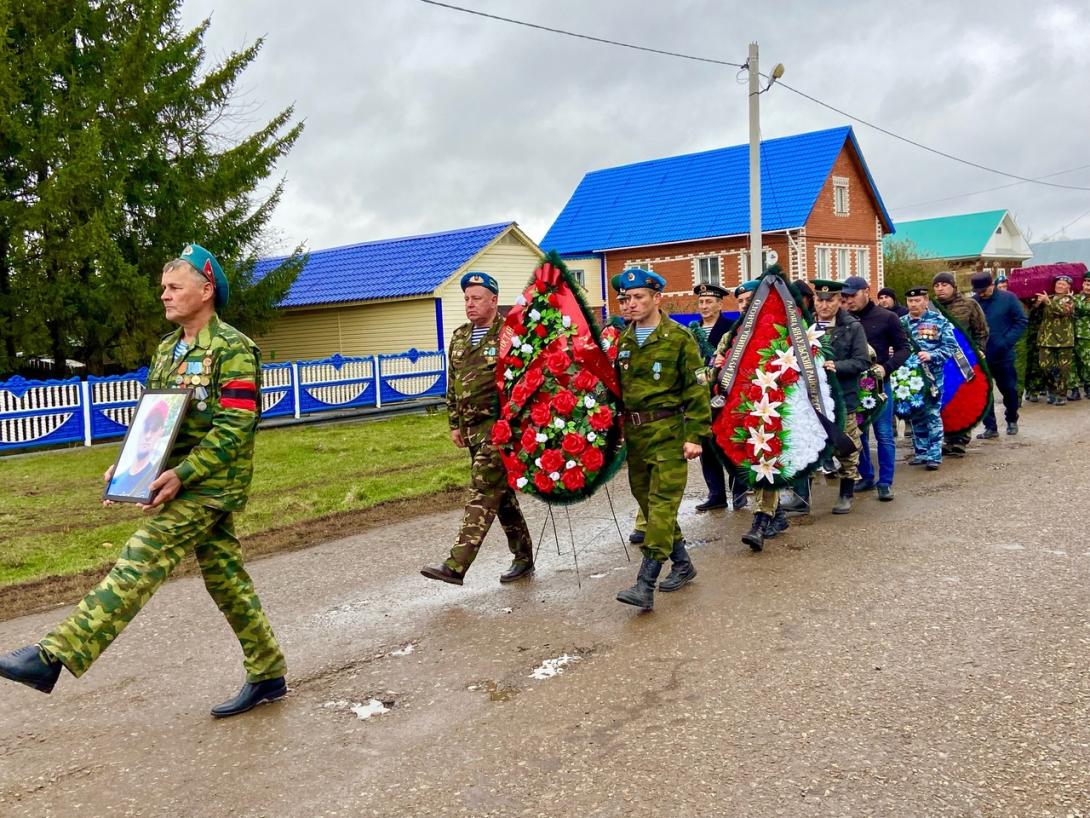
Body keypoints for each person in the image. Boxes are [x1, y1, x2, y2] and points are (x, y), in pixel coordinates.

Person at [0, 243, 287, 718]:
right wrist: (130, 465)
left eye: (175, 287)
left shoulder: (233, 349)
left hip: (211, 485)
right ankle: (268, 671)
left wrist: (183, 474)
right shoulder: (166, 351)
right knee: (226, 580)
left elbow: (236, 427)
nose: (165, 296)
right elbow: (155, 419)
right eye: (163, 289)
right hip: (176, 479)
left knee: (142, 556)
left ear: (206, 289)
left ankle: (52, 657)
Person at [422, 272, 534, 585]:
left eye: (477, 298)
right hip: (472, 432)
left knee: (483, 492)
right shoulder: (459, 337)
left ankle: (456, 565)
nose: (470, 304)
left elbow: (524, 385)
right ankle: (524, 557)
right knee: (502, 499)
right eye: (467, 299)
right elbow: (453, 387)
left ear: (494, 300)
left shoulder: (509, 336)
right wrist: (454, 424)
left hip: (500, 431)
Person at [613, 268, 710, 610]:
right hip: (636, 437)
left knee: (663, 504)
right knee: (649, 505)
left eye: (639, 297)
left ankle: (645, 582)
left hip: (669, 433)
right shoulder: (624, 341)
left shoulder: (679, 337)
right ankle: (682, 564)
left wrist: (695, 435)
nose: (632, 303)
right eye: (627, 298)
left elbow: (698, 390)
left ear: (657, 298)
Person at [843, 275, 910, 502]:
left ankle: (885, 482)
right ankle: (866, 476)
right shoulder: (844, 319)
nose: (849, 300)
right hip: (853, 387)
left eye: (852, 295)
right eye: (845, 296)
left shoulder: (887, 317)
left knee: (883, 435)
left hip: (881, 385)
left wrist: (887, 367)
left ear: (866, 291)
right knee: (857, 434)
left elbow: (904, 348)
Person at [808, 280, 870, 513]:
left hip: (843, 397)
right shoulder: (807, 325)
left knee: (847, 444)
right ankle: (803, 495)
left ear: (839, 301)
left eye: (830, 300)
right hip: (812, 399)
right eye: (820, 300)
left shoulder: (852, 326)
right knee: (811, 444)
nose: (824, 306)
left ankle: (846, 493)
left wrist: (838, 365)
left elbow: (863, 361)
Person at [931, 271, 989, 457]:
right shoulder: (931, 308)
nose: (940, 289)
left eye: (944, 285)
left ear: (953, 287)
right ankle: (948, 438)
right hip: (940, 361)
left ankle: (961, 440)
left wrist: (980, 351)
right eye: (937, 286)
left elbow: (981, 330)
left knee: (962, 400)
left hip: (964, 361)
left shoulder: (969, 304)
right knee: (944, 400)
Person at [901, 287, 958, 470]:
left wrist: (932, 355)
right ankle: (921, 452)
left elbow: (951, 347)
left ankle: (934, 454)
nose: (914, 304)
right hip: (910, 377)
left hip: (933, 377)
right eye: (910, 301)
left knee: (932, 414)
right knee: (915, 413)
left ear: (926, 301)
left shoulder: (939, 321)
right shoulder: (901, 323)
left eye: (918, 301)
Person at [691, 283, 735, 512]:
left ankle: (739, 491)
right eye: (701, 302)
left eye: (709, 301)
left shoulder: (730, 327)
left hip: (723, 394)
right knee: (706, 446)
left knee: (729, 444)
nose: (704, 306)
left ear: (720, 304)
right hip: (699, 396)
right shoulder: (691, 331)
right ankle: (716, 493)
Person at [971, 271, 1028, 437]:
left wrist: (1006, 341)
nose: (981, 293)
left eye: (983, 290)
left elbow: (1021, 321)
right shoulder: (974, 302)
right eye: (978, 290)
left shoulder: (1008, 298)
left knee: (1009, 389)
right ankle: (990, 427)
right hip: (981, 355)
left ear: (992, 285)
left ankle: (1011, 419)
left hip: (1003, 354)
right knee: (984, 392)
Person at [108, 399, 171, 499]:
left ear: (160, 433)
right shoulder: (117, 479)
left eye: (154, 429)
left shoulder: (156, 480)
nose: (148, 435)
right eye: (146, 428)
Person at [1034, 273, 1077, 405]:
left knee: (1063, 369)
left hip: (1064, 341)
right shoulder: (1048, 297)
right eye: (1058, 283)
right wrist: (1038, 303)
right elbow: (1034, 313)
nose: (1060, 286)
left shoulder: (1070, 299)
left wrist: (1048, 302)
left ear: (1068, 287)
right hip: (1046, 340)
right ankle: (1051, 390)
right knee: (1044, 367)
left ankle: (1061, 395)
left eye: (1063, 284)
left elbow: (1064, 312)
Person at [1067, 276, 1090, 400]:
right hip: (1071, 335)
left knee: (1087, 363)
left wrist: (1073, 302)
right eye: (1086, 284)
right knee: (1071, 363)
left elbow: (1086, 308)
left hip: (1086, 336)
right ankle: (1074, 389)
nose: (1088, 287)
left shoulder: (1075, 299)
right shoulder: (1076, 297)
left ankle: (1088, 386)